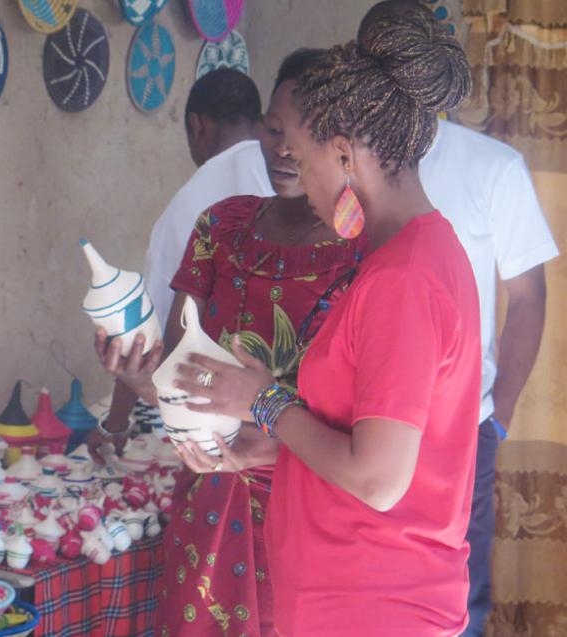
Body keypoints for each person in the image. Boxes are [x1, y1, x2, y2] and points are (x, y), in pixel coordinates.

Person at [173, 9, 481, 637]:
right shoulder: (411, 257)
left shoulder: (403, 280)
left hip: (374, 610)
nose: (302, 183)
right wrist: (281, 445)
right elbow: (366, 441)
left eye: (306, 161)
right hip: (353, 603)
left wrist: (262, 400)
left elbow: (379, 478)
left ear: (345, 156)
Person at [95, 49, 364, 636]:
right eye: (273, 129)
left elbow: (370, 430)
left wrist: (269, 442)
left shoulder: (367, 256)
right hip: (211, 501)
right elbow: (177, 376)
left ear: (346, 142)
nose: (284, 149)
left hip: (312, 512)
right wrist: (137, 376)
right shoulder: (222, 226)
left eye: (303, 134)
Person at [357, 3, 559, 635]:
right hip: (355, 425)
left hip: (457, 435)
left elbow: (528, 297)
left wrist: (497, 412)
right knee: (361, 595)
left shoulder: (491, 167)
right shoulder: (344, 159)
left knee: (452, 604)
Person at [87, 69, 274, 460]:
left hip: (221, 433)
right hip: (296, 432)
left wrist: (116, 424)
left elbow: (144, 335)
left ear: (196, 126)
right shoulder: (299, 180)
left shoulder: (192, 204)